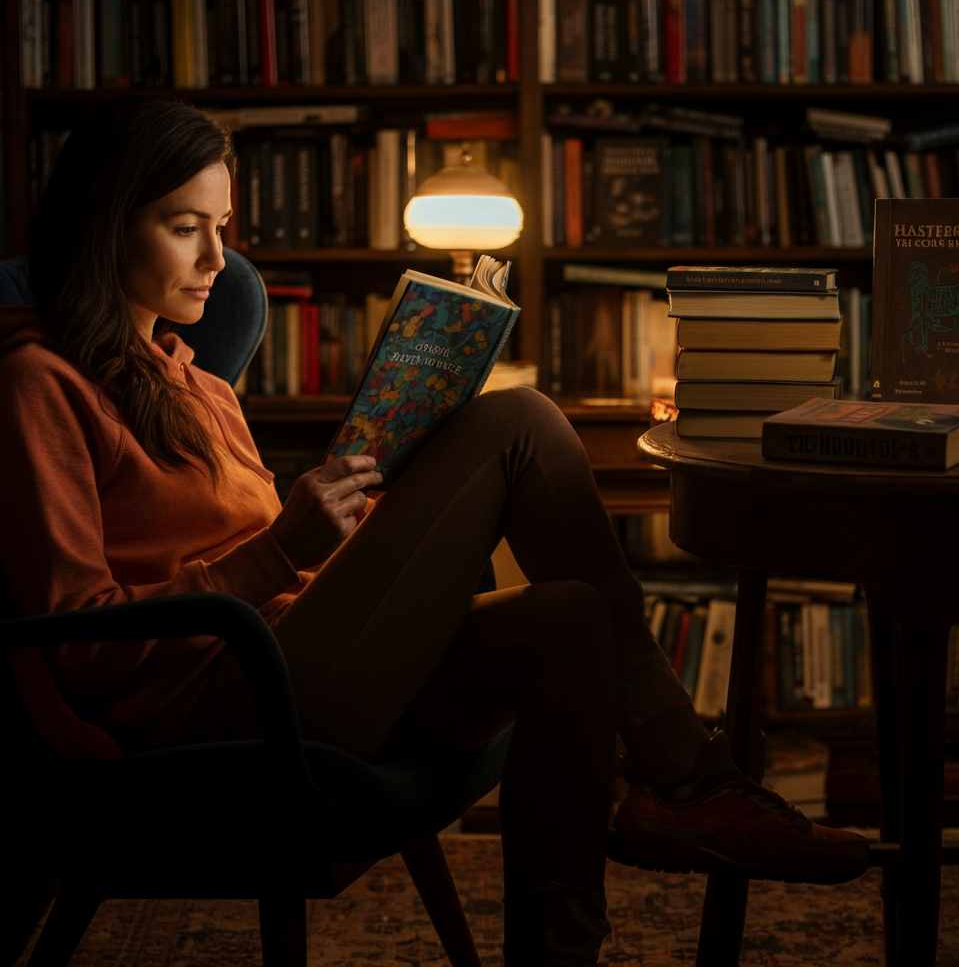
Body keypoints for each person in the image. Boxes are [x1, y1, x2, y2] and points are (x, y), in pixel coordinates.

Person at [0, 97, 868, 966]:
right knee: (520, 422)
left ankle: (561, 947)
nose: (218, 260)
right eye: (187, 228)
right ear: (105, 225)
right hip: (209, 708)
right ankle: (686, 773)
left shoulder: (199, 387)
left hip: (291, 656)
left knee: (569, 618)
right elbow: (77, 642)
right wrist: (280, 551)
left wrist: (376, 521)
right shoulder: (39, 384)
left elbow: (279, 566)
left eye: (222, 227)